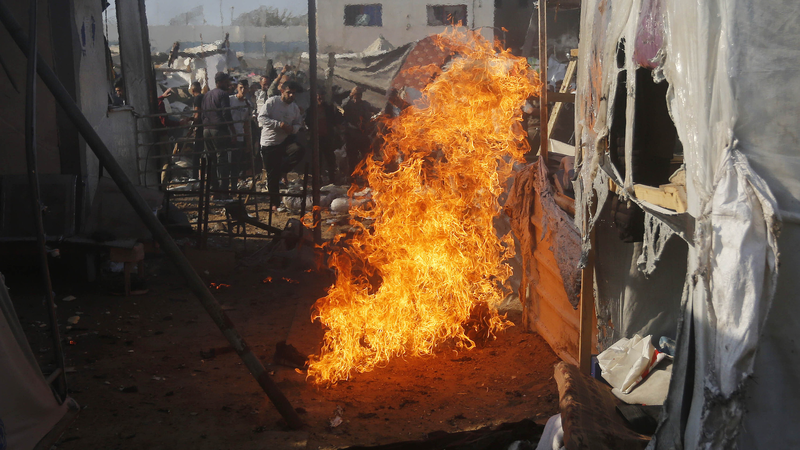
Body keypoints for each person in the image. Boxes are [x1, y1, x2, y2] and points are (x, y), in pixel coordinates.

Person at [257, 81, 305, 208]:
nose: (291, 95)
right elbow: (261, 118)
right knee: (272, 175)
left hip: (285, 141)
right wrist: (279, 125)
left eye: (293, 93)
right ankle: (274, 203)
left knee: (299, 150)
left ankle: (283, 171)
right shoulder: (272, 102)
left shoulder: (294, 107)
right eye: (289, 92)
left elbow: (298, 123)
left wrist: (292, 129)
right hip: (270, 143)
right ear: (282, 91)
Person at [202, 72, 237, 195]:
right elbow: (226, 114)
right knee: (222, 159)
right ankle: (223, 190)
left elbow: (203, 113)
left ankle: (214, 188)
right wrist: (233, 131)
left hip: (206, 130)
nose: (229, 84)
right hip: (218, 130)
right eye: (227, 81)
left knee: (211, 159)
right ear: (221, 82)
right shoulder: (223, 94)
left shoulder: (207, 95)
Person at [306, 90, 343, 185]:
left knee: (330, 159)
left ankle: (332, 180)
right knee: (317, 161)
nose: (320, 98)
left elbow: (335, 121)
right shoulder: (311, 109)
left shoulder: (329, 108)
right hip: (316, 139)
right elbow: (307, 122)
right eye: (318, 96)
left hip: (327, 138)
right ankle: (317, 180)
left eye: (321, 96)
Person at [342, 86, 375, 179]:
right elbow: (343, 106)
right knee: (352, 158)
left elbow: (372, 111)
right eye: (356, 95)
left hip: (362, 134)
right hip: (351, 134)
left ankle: (367, 177)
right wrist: (350, 95)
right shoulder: (349, 104)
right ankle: (352, 178)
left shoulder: (364, 104)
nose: (357, 97)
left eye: (359, 95)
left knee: (367, 156)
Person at [229, 79, 252, 189]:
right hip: (228, 136)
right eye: (241, 87)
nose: (243, 90)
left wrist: (248, 141)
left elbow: (246, 123)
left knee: (235, 163)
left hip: (240, 136)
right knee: (225, 162)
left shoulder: (248, 104)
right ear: (237, 88)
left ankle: (233, 186)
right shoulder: (230, 100)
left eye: (245, 88)